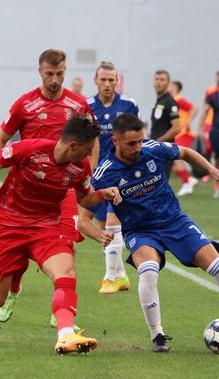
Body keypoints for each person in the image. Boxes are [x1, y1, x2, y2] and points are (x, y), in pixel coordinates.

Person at [0, 116, 120, 354]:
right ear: (73, 145)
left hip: (46, 228)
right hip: (9, 226)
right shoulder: (30, 149)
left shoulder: (79, 167)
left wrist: (102, 194)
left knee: (66, 272)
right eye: (86, 150)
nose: (88, 156)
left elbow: (85, 198)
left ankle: (65, 335)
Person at [92, 114, 219, 353]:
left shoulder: (152, 149)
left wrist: (213, 171)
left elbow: (186, 152)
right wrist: (104, 193)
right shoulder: (104, 171)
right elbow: (85, 198)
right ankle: (157, 334)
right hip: (141, 230)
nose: (138, 147)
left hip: (174, 221)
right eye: (131, 143)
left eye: (140, 140)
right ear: (116, 141)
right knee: (148, 272)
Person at [0, 49, 96, 323]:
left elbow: (92, 141)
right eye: (50, 74)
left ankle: (63, 307)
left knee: (67, 241)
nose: (56, 79)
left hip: (65, 186)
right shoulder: (25, 104)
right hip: (26, 188)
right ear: (40, 72)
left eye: (60, 73)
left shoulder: (78, 104)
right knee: (21, 247)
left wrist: (90, 175)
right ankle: (12, 289)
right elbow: (0, 140)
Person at [80, 61, 139, 294]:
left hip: (121, 173)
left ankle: (109, 278)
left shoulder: (128, 105)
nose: (107, 84)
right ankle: (121, 276)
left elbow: (136, 138)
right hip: (97, 174)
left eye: (111, 79)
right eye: (103, 79)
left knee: (114, 224)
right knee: (104, 227)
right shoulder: (87, 106)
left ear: (117, 81)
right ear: (95, 80)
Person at [168, 80, 199, 196]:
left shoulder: (178, 99)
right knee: (173, 160)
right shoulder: (171, 100)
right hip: (178, 134)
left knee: (177, 157)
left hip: (184, 133)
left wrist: (188, 122)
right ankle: (189, 180)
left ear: (175, 87)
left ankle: (187, 183)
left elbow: (194, 108)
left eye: (170, 84)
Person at [150, 70, 181, 177]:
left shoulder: (170, 102)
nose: (159, 82)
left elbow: (177, 128)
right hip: (156, 149)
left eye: (162, 80)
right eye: (156, 79)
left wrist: (159, 141)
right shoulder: (160, 101)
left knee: (160, 184)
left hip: (164, 149)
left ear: (168, 83)